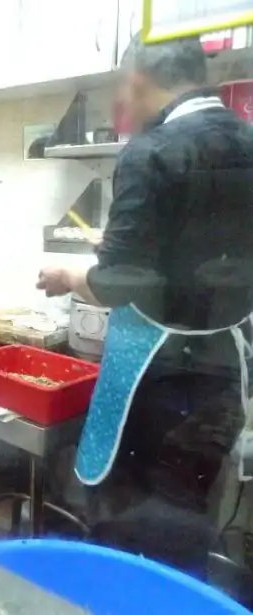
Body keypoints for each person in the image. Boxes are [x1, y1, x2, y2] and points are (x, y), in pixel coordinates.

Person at [37, 36, 253, 595]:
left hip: (154, 378)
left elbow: (123, 282)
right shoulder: (248, 140)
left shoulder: (152, 150)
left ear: (137, 77)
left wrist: (72, 276)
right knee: (188, 516)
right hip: (224, 373)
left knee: (126, 520)